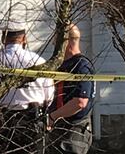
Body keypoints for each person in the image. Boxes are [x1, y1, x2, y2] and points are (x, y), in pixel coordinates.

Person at [0, 19, 54, 154]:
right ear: (24, 38)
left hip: (0, 121)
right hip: (31, 121)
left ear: (3, 39)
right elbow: (49, 96)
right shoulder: (38, 62)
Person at [46, 24, 95, 154]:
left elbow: (80, 102)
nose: (54, 46)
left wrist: (53, 117)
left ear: (65, 42)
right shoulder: (61, 65)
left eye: (56, 43)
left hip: (74, 130)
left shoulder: (81, 66)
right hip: (59, 126)